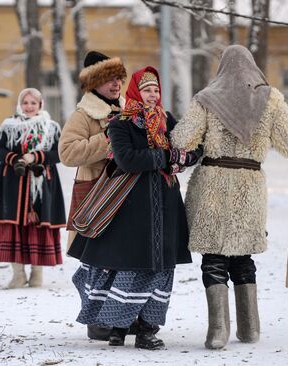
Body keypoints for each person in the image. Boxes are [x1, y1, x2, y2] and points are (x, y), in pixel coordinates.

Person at [170, 45, 288, 349]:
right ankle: (250, 328)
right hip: (250, 185)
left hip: (212, 184)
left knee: (213, 258)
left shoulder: (206, 98)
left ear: (222, 67)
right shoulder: (271, 98)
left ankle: (217, 332)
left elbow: (181, 139)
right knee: (243, 256)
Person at [67, 66, 202, 350]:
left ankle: (147, 329)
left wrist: (181, 158)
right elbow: (127, 159)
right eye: (146, 90)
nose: (152, 95)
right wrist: (167, 157)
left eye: (156, 90)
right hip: (132, 205)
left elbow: (193, 149)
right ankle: (120, 327)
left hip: (165, 204)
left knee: (160, 267)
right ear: (135, 93)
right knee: (131, 266)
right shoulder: (121, 123)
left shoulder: (167, 121)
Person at [58, 50, 127, 341]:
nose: (116, 85)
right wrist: (108, 137)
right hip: (95, 196)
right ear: (93, 84)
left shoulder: (127, 109)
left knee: (122, 258)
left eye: (118, 78)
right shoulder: (84, 114)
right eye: (109, 79)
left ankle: (120, 317)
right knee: (97, 260)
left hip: (123, 194)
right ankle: (96, 320)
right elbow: (67, 152)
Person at [0, 88, 65, 288]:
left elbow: (59, 153)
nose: (29, 107)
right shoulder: (9, 125)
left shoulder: (51, 127)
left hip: (41, 184)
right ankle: (18, 274)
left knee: (38, 224)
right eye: (25, 102)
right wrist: (15, 159)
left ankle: (37, 274)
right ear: (20, 104)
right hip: (13, 182)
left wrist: (36, 157)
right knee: (14, 225)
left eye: (33, 103)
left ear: (40, 105)